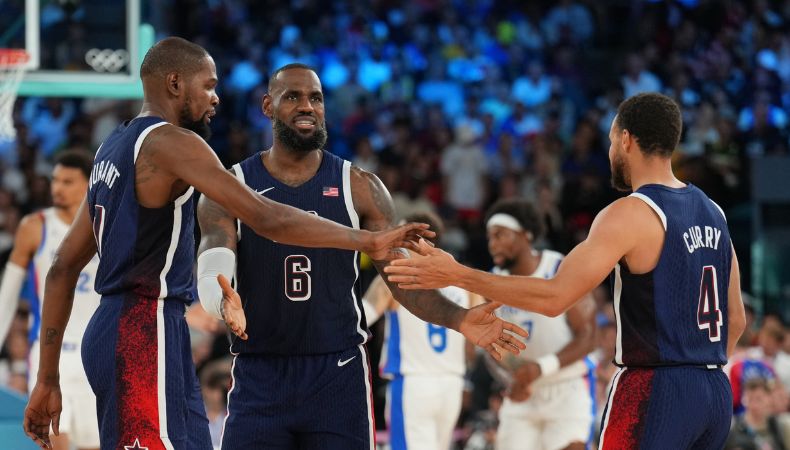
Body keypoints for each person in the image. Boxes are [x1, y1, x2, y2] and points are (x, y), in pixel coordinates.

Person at [22, 37, 435, 450]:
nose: (215, 98)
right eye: (208, 86)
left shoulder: (111, 148)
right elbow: (267, 217)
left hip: (130, 327)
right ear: (175, 84)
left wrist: (46, 378)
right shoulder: (172, 142)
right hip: (142, 327)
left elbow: (62, 266)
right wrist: (367, 240)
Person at [386, 92, 747, 450]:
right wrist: (698, 373)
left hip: (656, 389)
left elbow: (555, 296)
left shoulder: (631, 212)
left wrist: (456, 274)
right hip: (713, 392)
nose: (610, 152)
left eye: (611, 141)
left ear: (626, 139)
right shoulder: (714, 212)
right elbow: (736, 319)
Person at [196, 63, 528, 450]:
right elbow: (214, 261)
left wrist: (459, 318)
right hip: (261, 371)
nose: (307, 106)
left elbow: (402, 283)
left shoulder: (360, 186)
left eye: (316, 98)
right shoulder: (231, 186)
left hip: (337, 373)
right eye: (293, 97)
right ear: (268, 106)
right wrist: (220, 300)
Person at [0, 151, 100, 450]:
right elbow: (7, 296)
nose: (57, 188)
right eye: (55, 180)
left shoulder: (109, 227)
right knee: (55, 442)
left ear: (89, 184)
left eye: (68, 182)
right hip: (52, 356)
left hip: (97, 355)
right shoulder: (35, 226)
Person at [480, 198, 596, 450]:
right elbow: (489, 347)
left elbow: (588, 336)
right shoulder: (492, 283)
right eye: (490, 237)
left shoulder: (560, 269)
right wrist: (510, 379)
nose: (493, 244)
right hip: (524, 391)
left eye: (500, 235)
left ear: (526, 235)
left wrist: (541, 368)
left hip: (566, 388)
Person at [362, 211, 482, 450]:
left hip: (413, 384)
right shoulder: (463, 281)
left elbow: (362, 317)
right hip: (452, 384)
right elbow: (475, 346)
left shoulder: (395, 275)